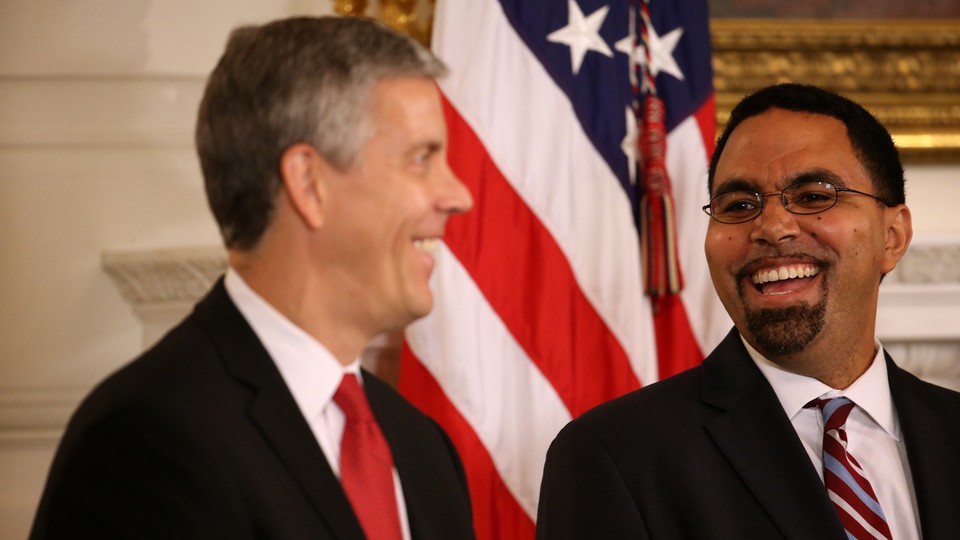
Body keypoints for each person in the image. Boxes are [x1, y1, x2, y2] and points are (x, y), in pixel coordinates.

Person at [31, 16, 475, 540]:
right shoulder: (144, 441)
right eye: (422, 159)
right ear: (309, 184)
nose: (458, 196)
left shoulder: (422, 449)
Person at [536, 83, 960, 539]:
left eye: (814, 196)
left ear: (893, 237)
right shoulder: (614, 455)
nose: (772, 227)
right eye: (738, 205)